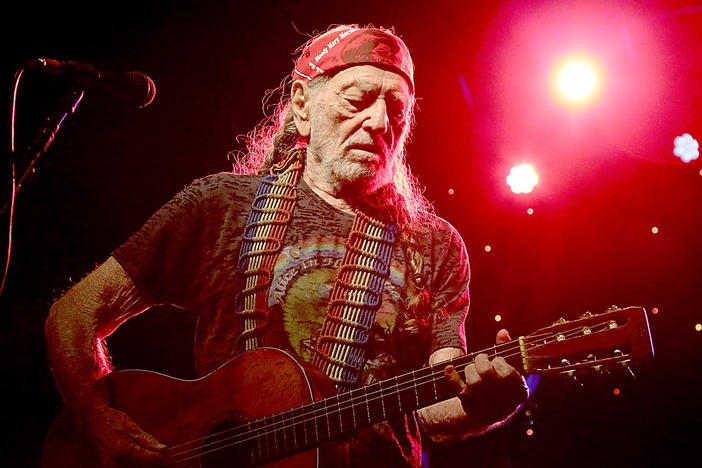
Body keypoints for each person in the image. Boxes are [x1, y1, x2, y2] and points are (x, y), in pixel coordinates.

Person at [44, 24, 528, 467]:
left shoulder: (436, 244)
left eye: (397, 110)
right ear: (302, 105)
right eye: (358, 99)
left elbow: (434, 408)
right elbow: (75, 313)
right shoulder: (220, 204)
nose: (381, 121)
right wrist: (93, 412)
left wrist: (484, 404)